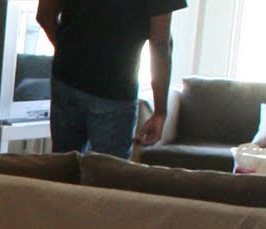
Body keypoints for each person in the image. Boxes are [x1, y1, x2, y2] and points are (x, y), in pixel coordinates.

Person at [35, 0, 187, 158]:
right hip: (115, 90)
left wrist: (67, 51)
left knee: (62, 171)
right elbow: (160, 44)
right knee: (108, 176)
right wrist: (160, 111)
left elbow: (44, 16)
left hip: (67, 78)